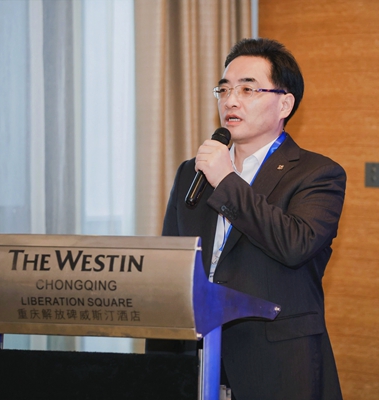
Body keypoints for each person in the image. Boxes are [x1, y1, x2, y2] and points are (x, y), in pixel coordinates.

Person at [148, 38, 346, 399]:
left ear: (285, 103)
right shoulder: (193, 172)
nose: (230, 100)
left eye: (247, 89)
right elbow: (169, 268)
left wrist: (226, 180)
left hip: (275, 364)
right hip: (195, 358)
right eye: (224, 89)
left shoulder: (318, 174)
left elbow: (294, 244)